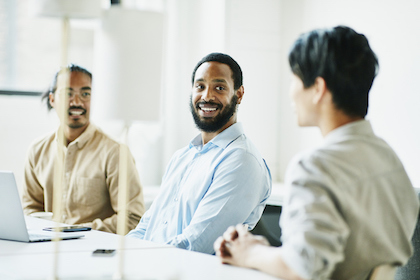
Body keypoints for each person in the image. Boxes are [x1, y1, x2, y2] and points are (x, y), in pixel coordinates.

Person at [214, 26, 420, 280]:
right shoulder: (391, 161)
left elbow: (303, 269)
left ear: (318, 89)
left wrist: (250, 254)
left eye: (295, 80)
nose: (291, 92)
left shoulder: (315, 166)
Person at [127, 53, 272, 254]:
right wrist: (121, 254)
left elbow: (196, 244)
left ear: (238, 94)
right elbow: (147, 227)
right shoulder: (182, 157)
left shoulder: (241, 160)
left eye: (219, 88)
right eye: (200, 86)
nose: (206, 97)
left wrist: (140, 260)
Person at [22, 64, 145, 234]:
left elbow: (132, 218)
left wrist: (77, 231)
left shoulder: (115, 153)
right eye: (68, 94)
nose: (77, 102)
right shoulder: (37, 151)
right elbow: (29, 210)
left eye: (85, 94)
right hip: (45, 249)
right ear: (52, 99)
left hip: (94, 252)